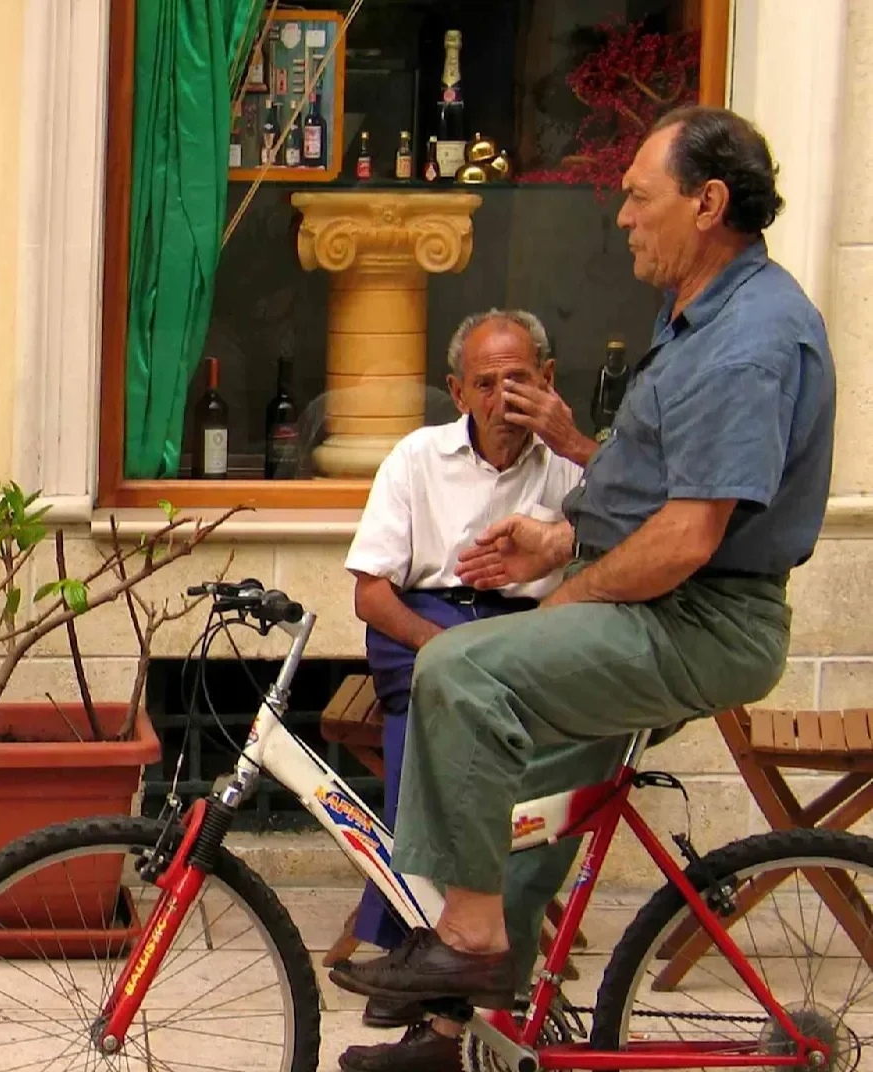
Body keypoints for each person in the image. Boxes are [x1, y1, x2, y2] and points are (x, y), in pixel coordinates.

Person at [333, 106, 835, 1071]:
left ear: (708, 202)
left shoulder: (750, 340)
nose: (622, 219)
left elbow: (690, 536)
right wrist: (559, 535)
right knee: (523, 817)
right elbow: (661, 493)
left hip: (698, 621)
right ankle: (456, 1037)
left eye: (640, 199)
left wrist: (565, 595)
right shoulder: (700, 316)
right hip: (667, 606)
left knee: (463, 672)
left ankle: (469, 948)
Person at [340, 309, 587, 1043]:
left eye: (519, 379)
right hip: (425, 621)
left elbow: (639, 519)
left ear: (547, 380)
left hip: (529, 629)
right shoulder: (417, 457)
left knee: (527, 750)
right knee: (428, 722)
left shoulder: (573, 462)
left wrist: (569, 434)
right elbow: (370, 590)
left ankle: (482, 943)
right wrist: (436, 647)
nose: (502, 396)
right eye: (486, 382)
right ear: (456, 391)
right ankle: (409, 941)